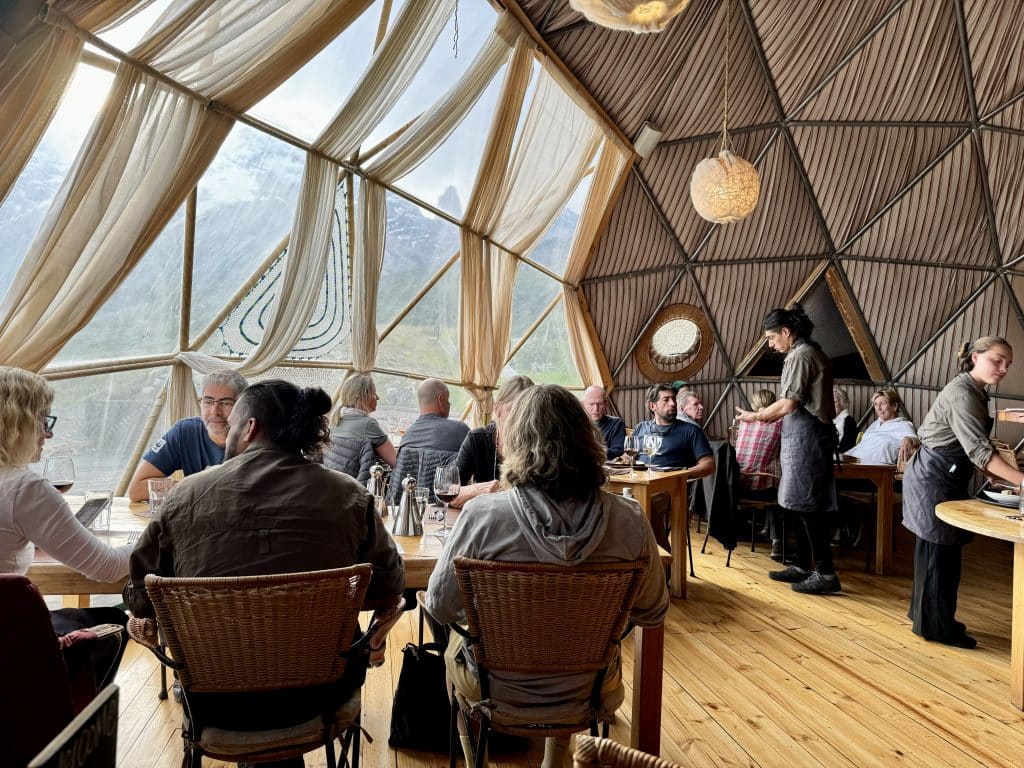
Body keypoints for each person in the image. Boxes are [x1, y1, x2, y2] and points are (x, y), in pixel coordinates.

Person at [127, 379, 405, 767]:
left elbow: (141, 594)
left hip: (215, 703)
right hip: (320, 700)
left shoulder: (183, 498)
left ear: (250, 428)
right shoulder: (349, 497)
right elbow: (390, 585)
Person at [424, 384, 668, 768]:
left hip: (494, 687)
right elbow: (653, 611)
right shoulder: (630, 519)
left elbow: (438, 606)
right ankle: (555, 756)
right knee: (569, 638)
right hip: (587, 688)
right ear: (588, 437)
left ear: (515, 440)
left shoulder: (482, 517)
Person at [0, 366, 131, 691]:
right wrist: (158, 537)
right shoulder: (23, 488)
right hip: (9, 647)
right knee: (117, 621)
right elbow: (108, 568)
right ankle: (67, 727)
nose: (48, 433)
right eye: (44, 420)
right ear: (18, 421)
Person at [902, 337, 1024, 649]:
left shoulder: (974, 390)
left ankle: (923, 615)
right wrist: (1021, 481)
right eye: (997, 360)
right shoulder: (964, 394)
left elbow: (973, 447)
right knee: (939, 552)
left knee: (934, 549)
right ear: (974, 357)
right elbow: (979, 450)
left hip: (939, 472)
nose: (1004, 368)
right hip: (935, 475)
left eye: (1008, 363)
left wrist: (991, 472)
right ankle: (936, 627)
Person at [736, 304, 841, 595]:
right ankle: (802, 565)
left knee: (809, 507)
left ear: (786, 332)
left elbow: (788, 404)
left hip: (808, 436)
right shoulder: (806, 352)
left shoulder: (802, 355)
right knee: (798, 503)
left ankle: (826, 573)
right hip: (802, 437)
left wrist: (754, 416)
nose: (771, 345)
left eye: (772, 338)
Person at [127, 371, 248, 501]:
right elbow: (136, 490)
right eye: (208, 402)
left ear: (243, 406)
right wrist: (190, 487)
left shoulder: (259, 436)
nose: (215, 411)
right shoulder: (185, 432)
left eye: (225, 403)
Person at [452, 375, 534, 506]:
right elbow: (449, 492)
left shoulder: (538, 445)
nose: (519, 419)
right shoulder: (477, 439)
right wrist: (477, 490)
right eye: (512, 410)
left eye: (526, 412)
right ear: (498, 410)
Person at [735, 389, 784, 559]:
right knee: (781, 490)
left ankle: (762, 529)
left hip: (737, 487)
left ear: (754, 404)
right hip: (761, 490)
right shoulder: (780, 423)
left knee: (771, 479)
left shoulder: (744, 422)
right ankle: (778, 542)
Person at [632, 383, 715, 478]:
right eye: (666, 400)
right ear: (652, 406)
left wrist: (679, 475)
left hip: (673, 488)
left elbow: (709, 465)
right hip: (640, 483)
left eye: (673, 399)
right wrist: (621, 460)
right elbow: (628, 457)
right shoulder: (641, 428)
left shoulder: (691, 430)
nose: (673, 403)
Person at [332, 373, 396, 467]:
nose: (378, 397)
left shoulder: (334, 421)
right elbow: (395, 462)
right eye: (374, 393)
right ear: (361, 396)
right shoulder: (368, 424)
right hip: (356, 481)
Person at [843, 388, 917, 465]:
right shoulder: (875, 424)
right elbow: (860, 446)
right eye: (876, 404)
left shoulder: (903, 425)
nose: (878, 408)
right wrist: (843, 457)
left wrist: (909, 439)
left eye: (883, 403)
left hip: (877, 468)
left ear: (895, 406)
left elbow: (914, 440)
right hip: (855, 462)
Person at [398, 378, 469, 453]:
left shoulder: (406, 436)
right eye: (447, 399)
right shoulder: (459, 429)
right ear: (440, 400)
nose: (449, 404)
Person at [581, 385, 625, 459]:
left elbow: (618, 452)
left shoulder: (616, 423)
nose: (596, 409)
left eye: (600, 404)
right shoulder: (576, 423)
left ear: (606, 404)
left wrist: (590, 449)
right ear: (583, 404)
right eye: (591, 404)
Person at [833, 387, 858, 453]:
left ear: (842, 403)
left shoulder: (849, 422)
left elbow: (848, 448)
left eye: (834, 402)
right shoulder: (825, 419)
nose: (830, 405)